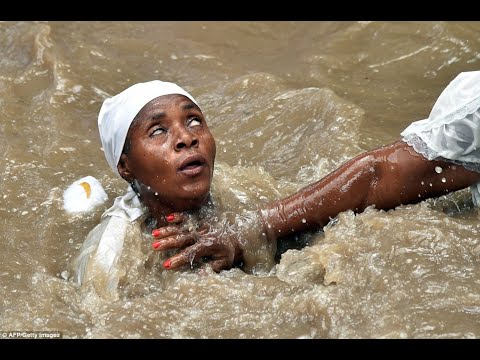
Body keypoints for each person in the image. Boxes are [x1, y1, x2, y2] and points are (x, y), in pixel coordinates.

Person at [72, 71, 480, 299]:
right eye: (158, 131)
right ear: (125, 167)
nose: (186, 137)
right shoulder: (113, 256)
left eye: (194, 120)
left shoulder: (240, 189)